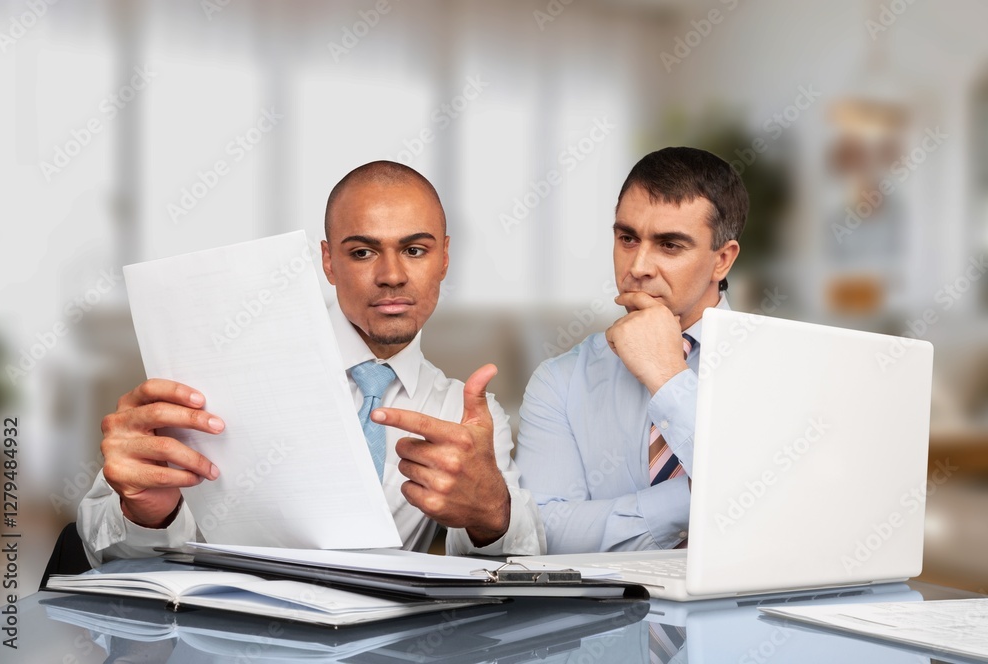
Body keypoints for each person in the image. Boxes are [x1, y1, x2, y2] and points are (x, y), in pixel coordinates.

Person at [78, 161, 545, 566]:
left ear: (444, 258)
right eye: (362, 252)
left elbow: (514, 571)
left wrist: (492, 515)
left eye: (415, 250)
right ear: (327, 261)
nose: (391, 276)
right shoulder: (223, 364)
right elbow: (99, 548)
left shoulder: (465, 419)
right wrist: (144, 512)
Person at [515, 147, 747, 553]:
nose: (637, 266)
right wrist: (702, 498)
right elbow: (546, 534)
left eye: (669, 245)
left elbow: (785, 519)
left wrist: (668, 379)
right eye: (627, 238)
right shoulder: (560, 381)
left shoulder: (784, 365)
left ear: (722, 261)